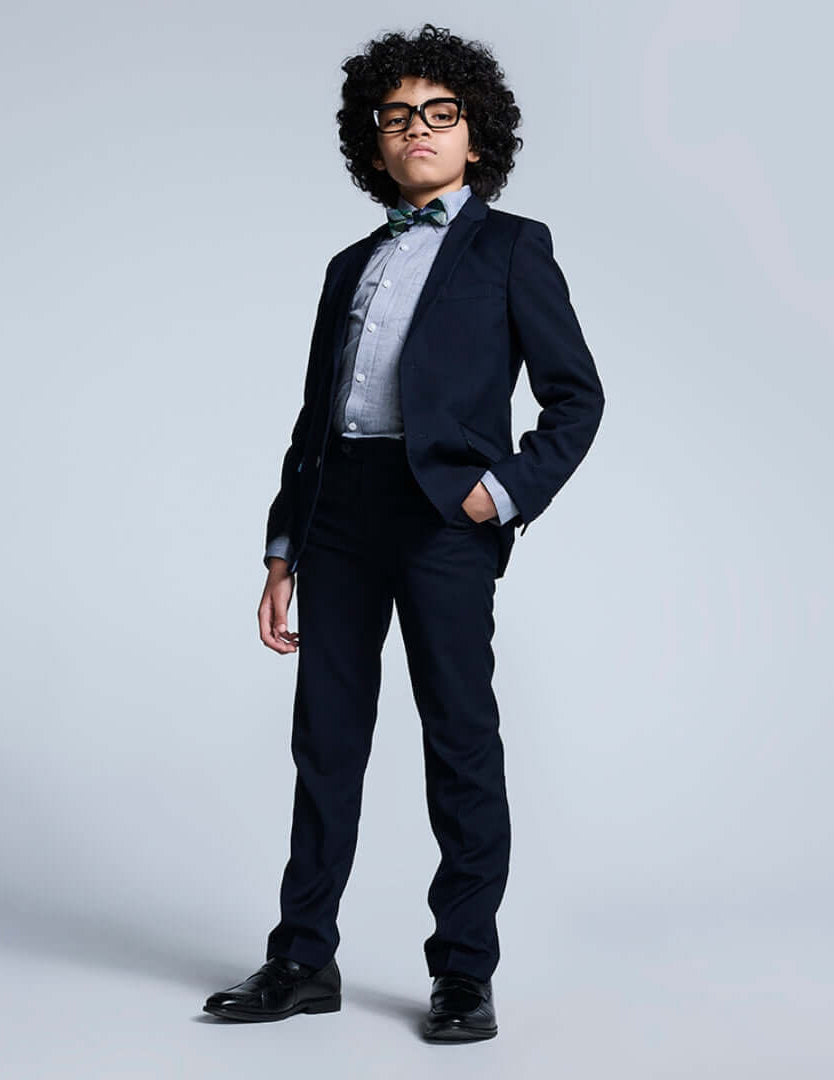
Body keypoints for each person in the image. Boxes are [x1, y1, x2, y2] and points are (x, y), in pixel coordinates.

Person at [203, 23, 605, 1042]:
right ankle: (302, 959)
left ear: (475, 136)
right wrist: (282, 548)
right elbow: (314, 415)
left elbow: (575, 397)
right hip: (340, 512)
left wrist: (503, 492)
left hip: (443, 515)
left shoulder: (514, 248)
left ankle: (464, 974)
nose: (416, 130)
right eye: (396, 117)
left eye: (438, 114)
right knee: (325, 741)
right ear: (372, 142)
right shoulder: (351, 264)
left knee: (458, 741)